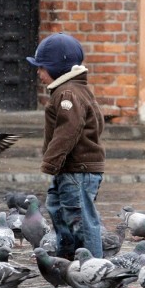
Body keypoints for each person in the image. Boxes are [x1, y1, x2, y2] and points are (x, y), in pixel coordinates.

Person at [26, 32, 105, 259]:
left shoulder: (68, 93)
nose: (38, 72)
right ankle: (68, 263)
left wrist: (51, 161)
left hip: (77, 170)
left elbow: (68, 130)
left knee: (80, 220)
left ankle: (92, 268)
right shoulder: (70, 91)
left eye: (42, 67)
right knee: (58, 211)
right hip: (68, 169)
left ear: (57, 68)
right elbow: (96, 122)